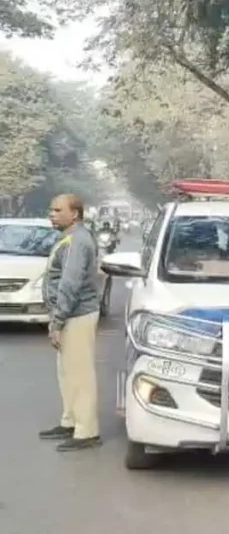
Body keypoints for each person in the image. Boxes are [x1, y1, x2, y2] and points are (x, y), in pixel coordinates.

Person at [39, 194, 102, 452]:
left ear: (74, 213)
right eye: (51, 209)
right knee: (67, 373)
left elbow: (70, 284)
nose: (51, 214)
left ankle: (87, 431)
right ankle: (71, 420)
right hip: (70, 314)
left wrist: (58, 320)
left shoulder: (78, 241)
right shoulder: (70, 238)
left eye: (57, 210)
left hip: (76, 315)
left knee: (80, 374)